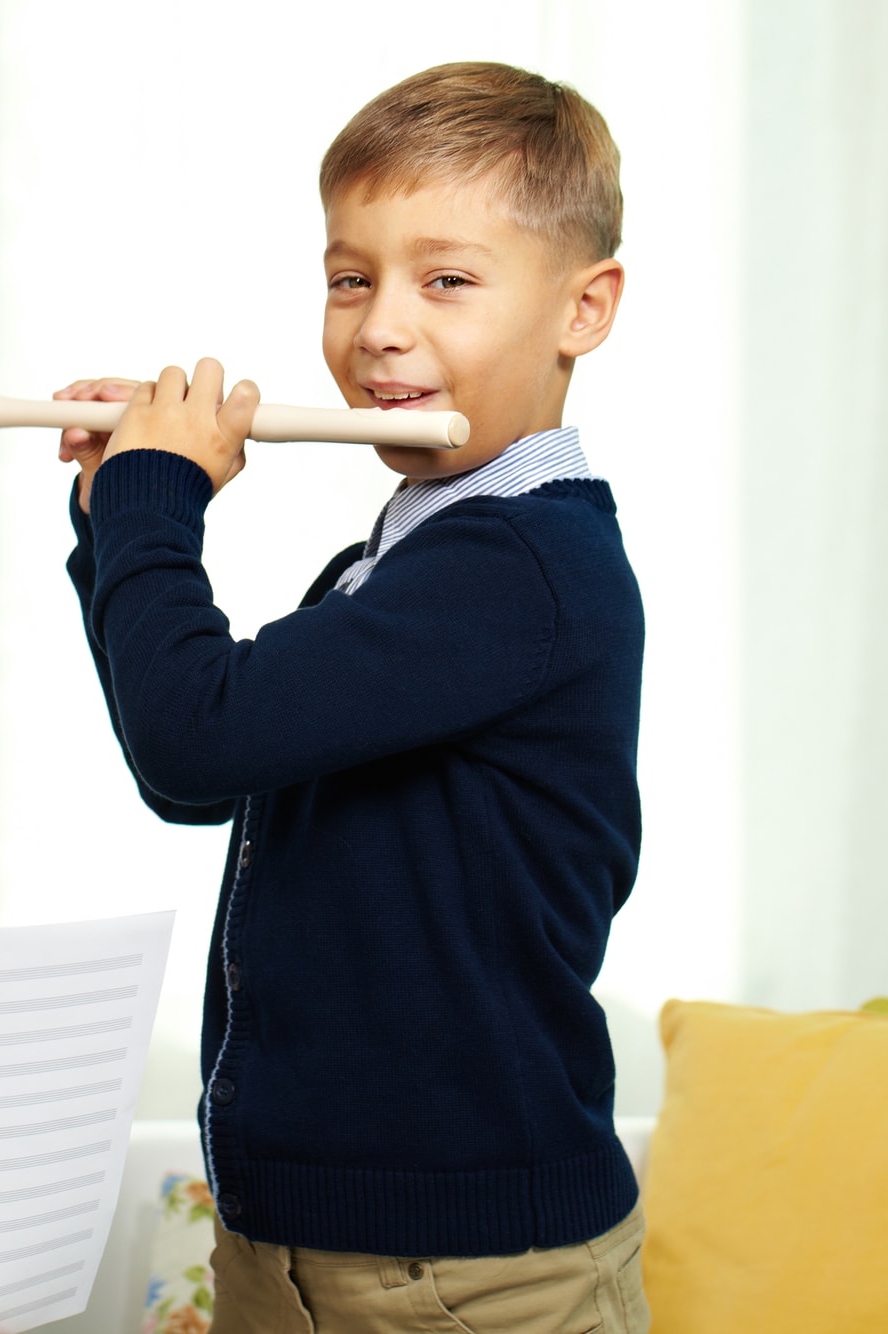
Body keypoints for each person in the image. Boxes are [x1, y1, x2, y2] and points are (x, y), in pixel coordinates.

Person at [51, 62, 648, 1333]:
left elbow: (195, 732)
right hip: (302, 1245)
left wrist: (158, 502)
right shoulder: (405, 558)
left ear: (582, 308)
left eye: (446, 280)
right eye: (348, 277)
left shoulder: (517, 564)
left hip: (463, 1273)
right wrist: (116, 512)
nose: (378, 326)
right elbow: (189, 774)